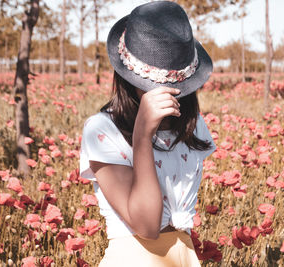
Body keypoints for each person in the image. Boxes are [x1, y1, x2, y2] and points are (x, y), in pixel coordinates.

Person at [79, 1, 216, 266]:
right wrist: (142, 137)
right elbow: (147, 226)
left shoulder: (192, 125)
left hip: (184, 257)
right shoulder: (102, 129)